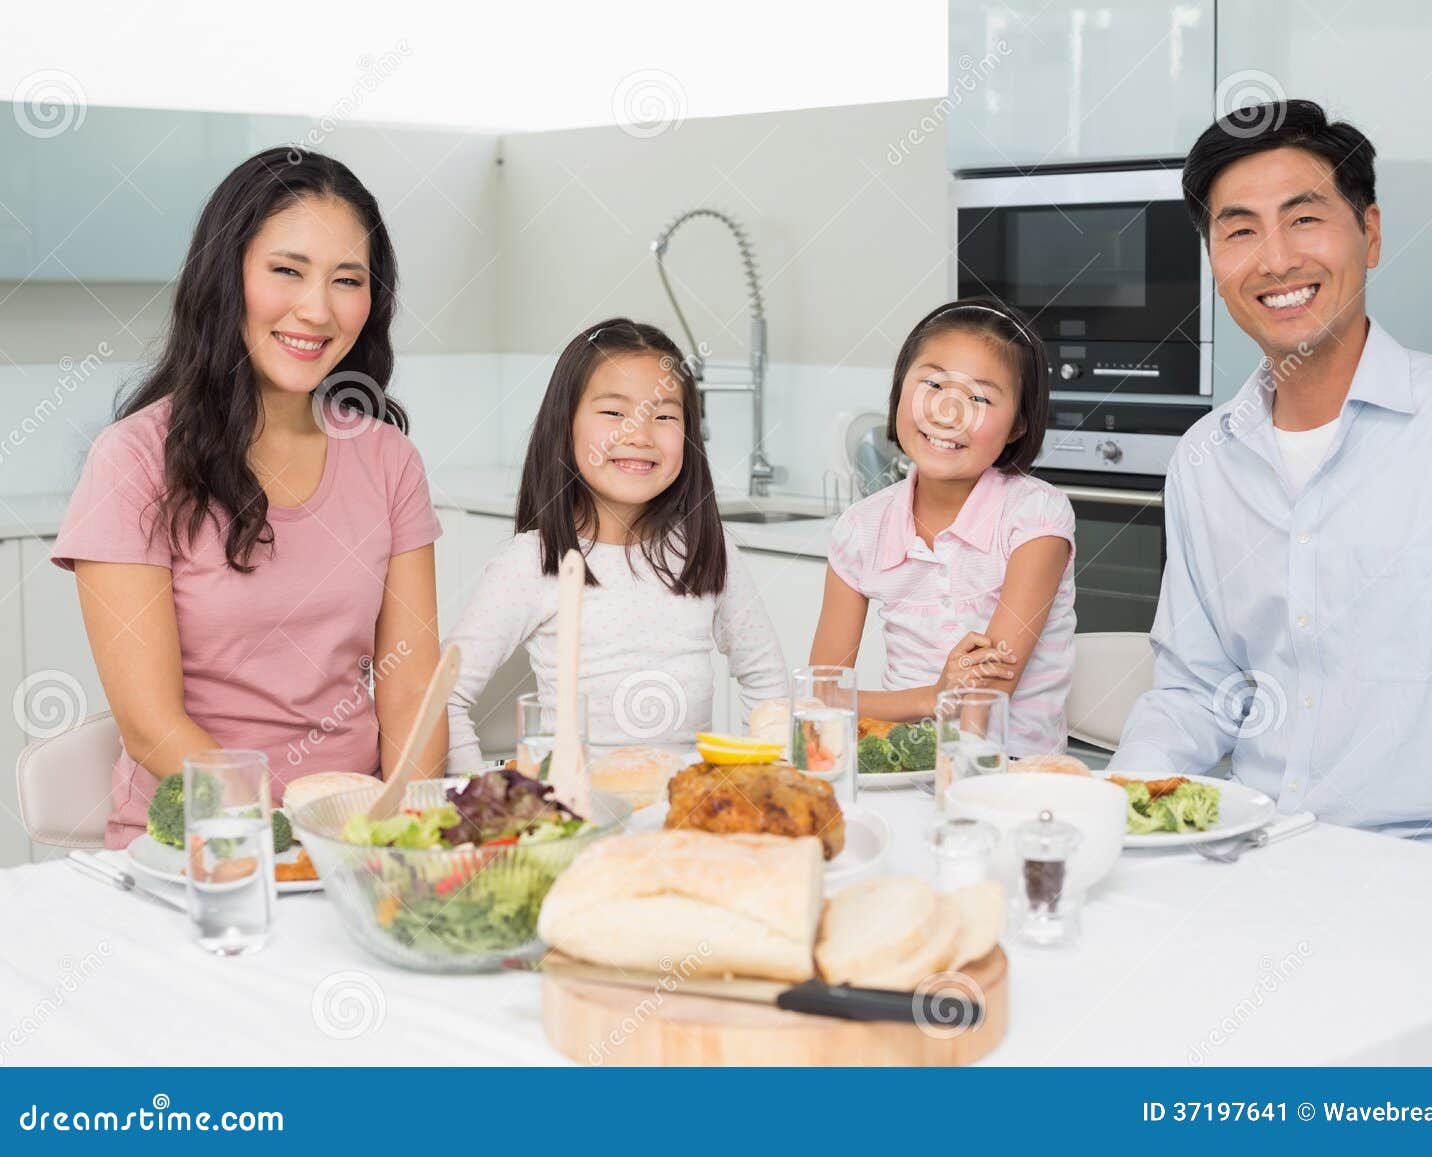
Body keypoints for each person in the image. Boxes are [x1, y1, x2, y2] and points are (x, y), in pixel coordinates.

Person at [1108, 99, 1432, 873]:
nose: (1273, 260)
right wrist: (1114, 821)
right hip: (1256, 859)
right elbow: (1196, 693)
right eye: (1239, 231)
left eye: (1304, 219)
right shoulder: (1206, 457)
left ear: (1369, 234)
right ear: (1214, 259)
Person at [53, 147, 446, 849]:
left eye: (347, 280)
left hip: (354, 846)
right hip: (195, 848)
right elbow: (151, 724)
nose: (317, 309)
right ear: (226, 275)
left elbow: (412, 690)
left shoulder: (389, 460)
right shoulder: (135, 460)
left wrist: (399, 835)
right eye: (287, 270)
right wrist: (287, 838)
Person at [444, 318, 786, 767]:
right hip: (574, 817)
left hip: (680, 816)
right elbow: (443, 701)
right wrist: (484, 804)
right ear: (564, 425)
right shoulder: (532, 562)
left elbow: (769, 687)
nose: (640, 435)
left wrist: (758, 780)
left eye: (664, 416)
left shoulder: (708, 549)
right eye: (613, 412)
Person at [809, 298, 1077, 754]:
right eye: (933, 384)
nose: (948, 413)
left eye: (979, 397)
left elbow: (982, 703)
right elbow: (820, 696)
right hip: (897, 764)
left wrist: (886, 705)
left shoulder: (1036, 518)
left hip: (1011, 775)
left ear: (1018, 425)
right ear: (900, 390)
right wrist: (929, 698)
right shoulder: (860, 528)